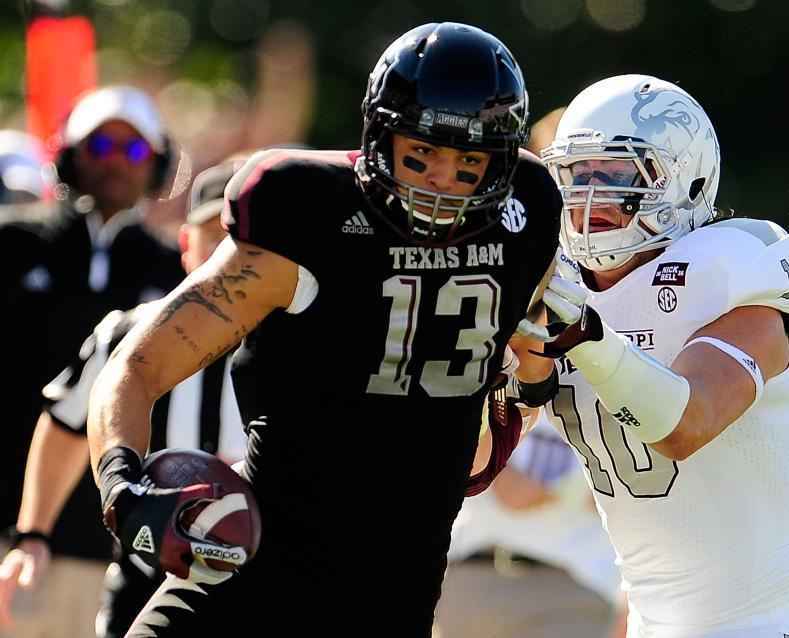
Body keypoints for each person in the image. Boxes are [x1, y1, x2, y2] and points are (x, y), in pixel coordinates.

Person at [86, 22, 560, 637]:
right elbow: (134, 367)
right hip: (253, 568)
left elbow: (528, 365)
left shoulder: (529, 217)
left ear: (499, 164)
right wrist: (121, 486)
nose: (441, 180)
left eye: (467, 162)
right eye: (421, 155)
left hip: (394, 596)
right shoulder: (307, 220)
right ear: (379, 138)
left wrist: (526, 386)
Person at [519, 74, 789, 636]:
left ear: (685, 181)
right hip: (649, 622)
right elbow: (475, 466)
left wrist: (587, 338)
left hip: (764, 622)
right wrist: (515, 378)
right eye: (575, 175)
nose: (591, 197)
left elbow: (687, 423)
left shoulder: (732, 267)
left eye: (615, 173)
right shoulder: (558, 287)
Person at [0, 159, 247, 638]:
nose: (228, 255)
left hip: (274, 582)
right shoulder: (128, 334)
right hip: (150, 579)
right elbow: (67, 423)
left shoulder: (313, 342)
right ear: (185, 247)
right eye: (213, 236)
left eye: (242, 239)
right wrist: (32, 536)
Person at [0, 85, 185, 638]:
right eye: (100, 144)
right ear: (70, 154)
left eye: (133, 152)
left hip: (106, 544)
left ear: (157, 166)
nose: (114, 162)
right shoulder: (12, 245)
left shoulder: (173, 272)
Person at [435, 413, 624, 638]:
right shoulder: (496, 383)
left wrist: (562, 491)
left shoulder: (616, 396)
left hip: (572, 591)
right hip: (474, 577)